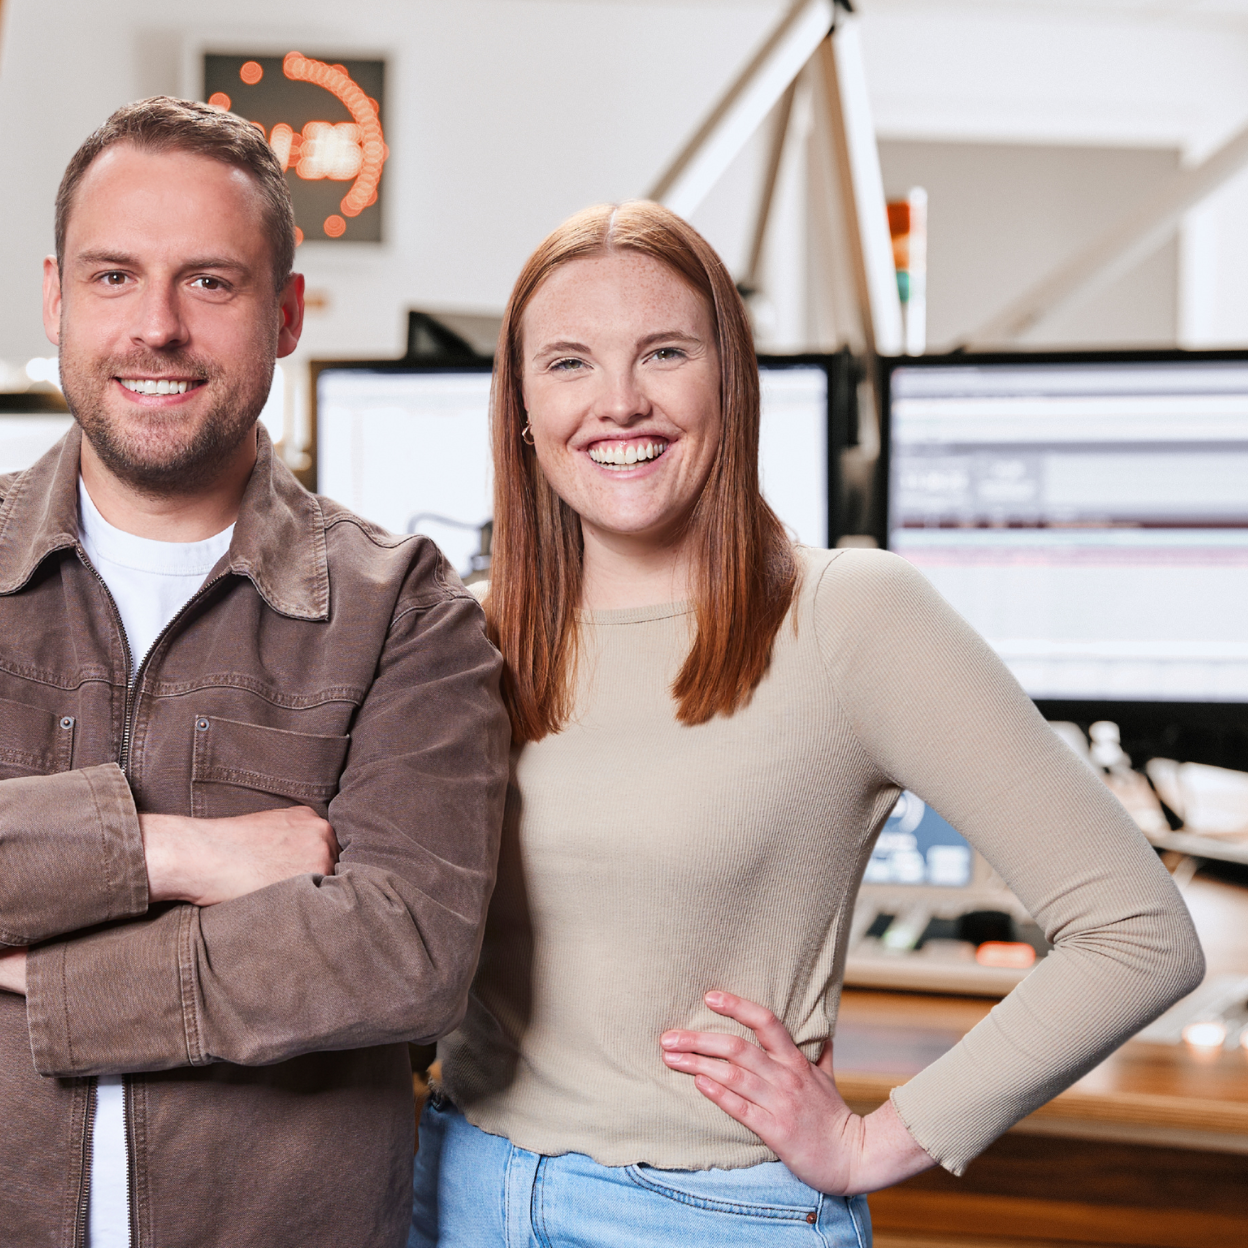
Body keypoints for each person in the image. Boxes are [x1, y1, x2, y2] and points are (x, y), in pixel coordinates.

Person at [409, 201, 1204, 1246]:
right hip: (452, 1185)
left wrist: (879, 1143)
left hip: (702, 1215)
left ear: (729, 382)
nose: (619, 401)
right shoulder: (464, 634)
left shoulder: (852, 617)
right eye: (567, 363)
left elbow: (1141, 934)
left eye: (663, 352)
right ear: (519, 404)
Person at [0, 97, 509, 1248]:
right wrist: (178, 852)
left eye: (211, 283)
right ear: (55, 298)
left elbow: (406, 952)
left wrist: (59, 980)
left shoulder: (404, 611)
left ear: (284, 315)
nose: (158, 328)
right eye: (114, 277)